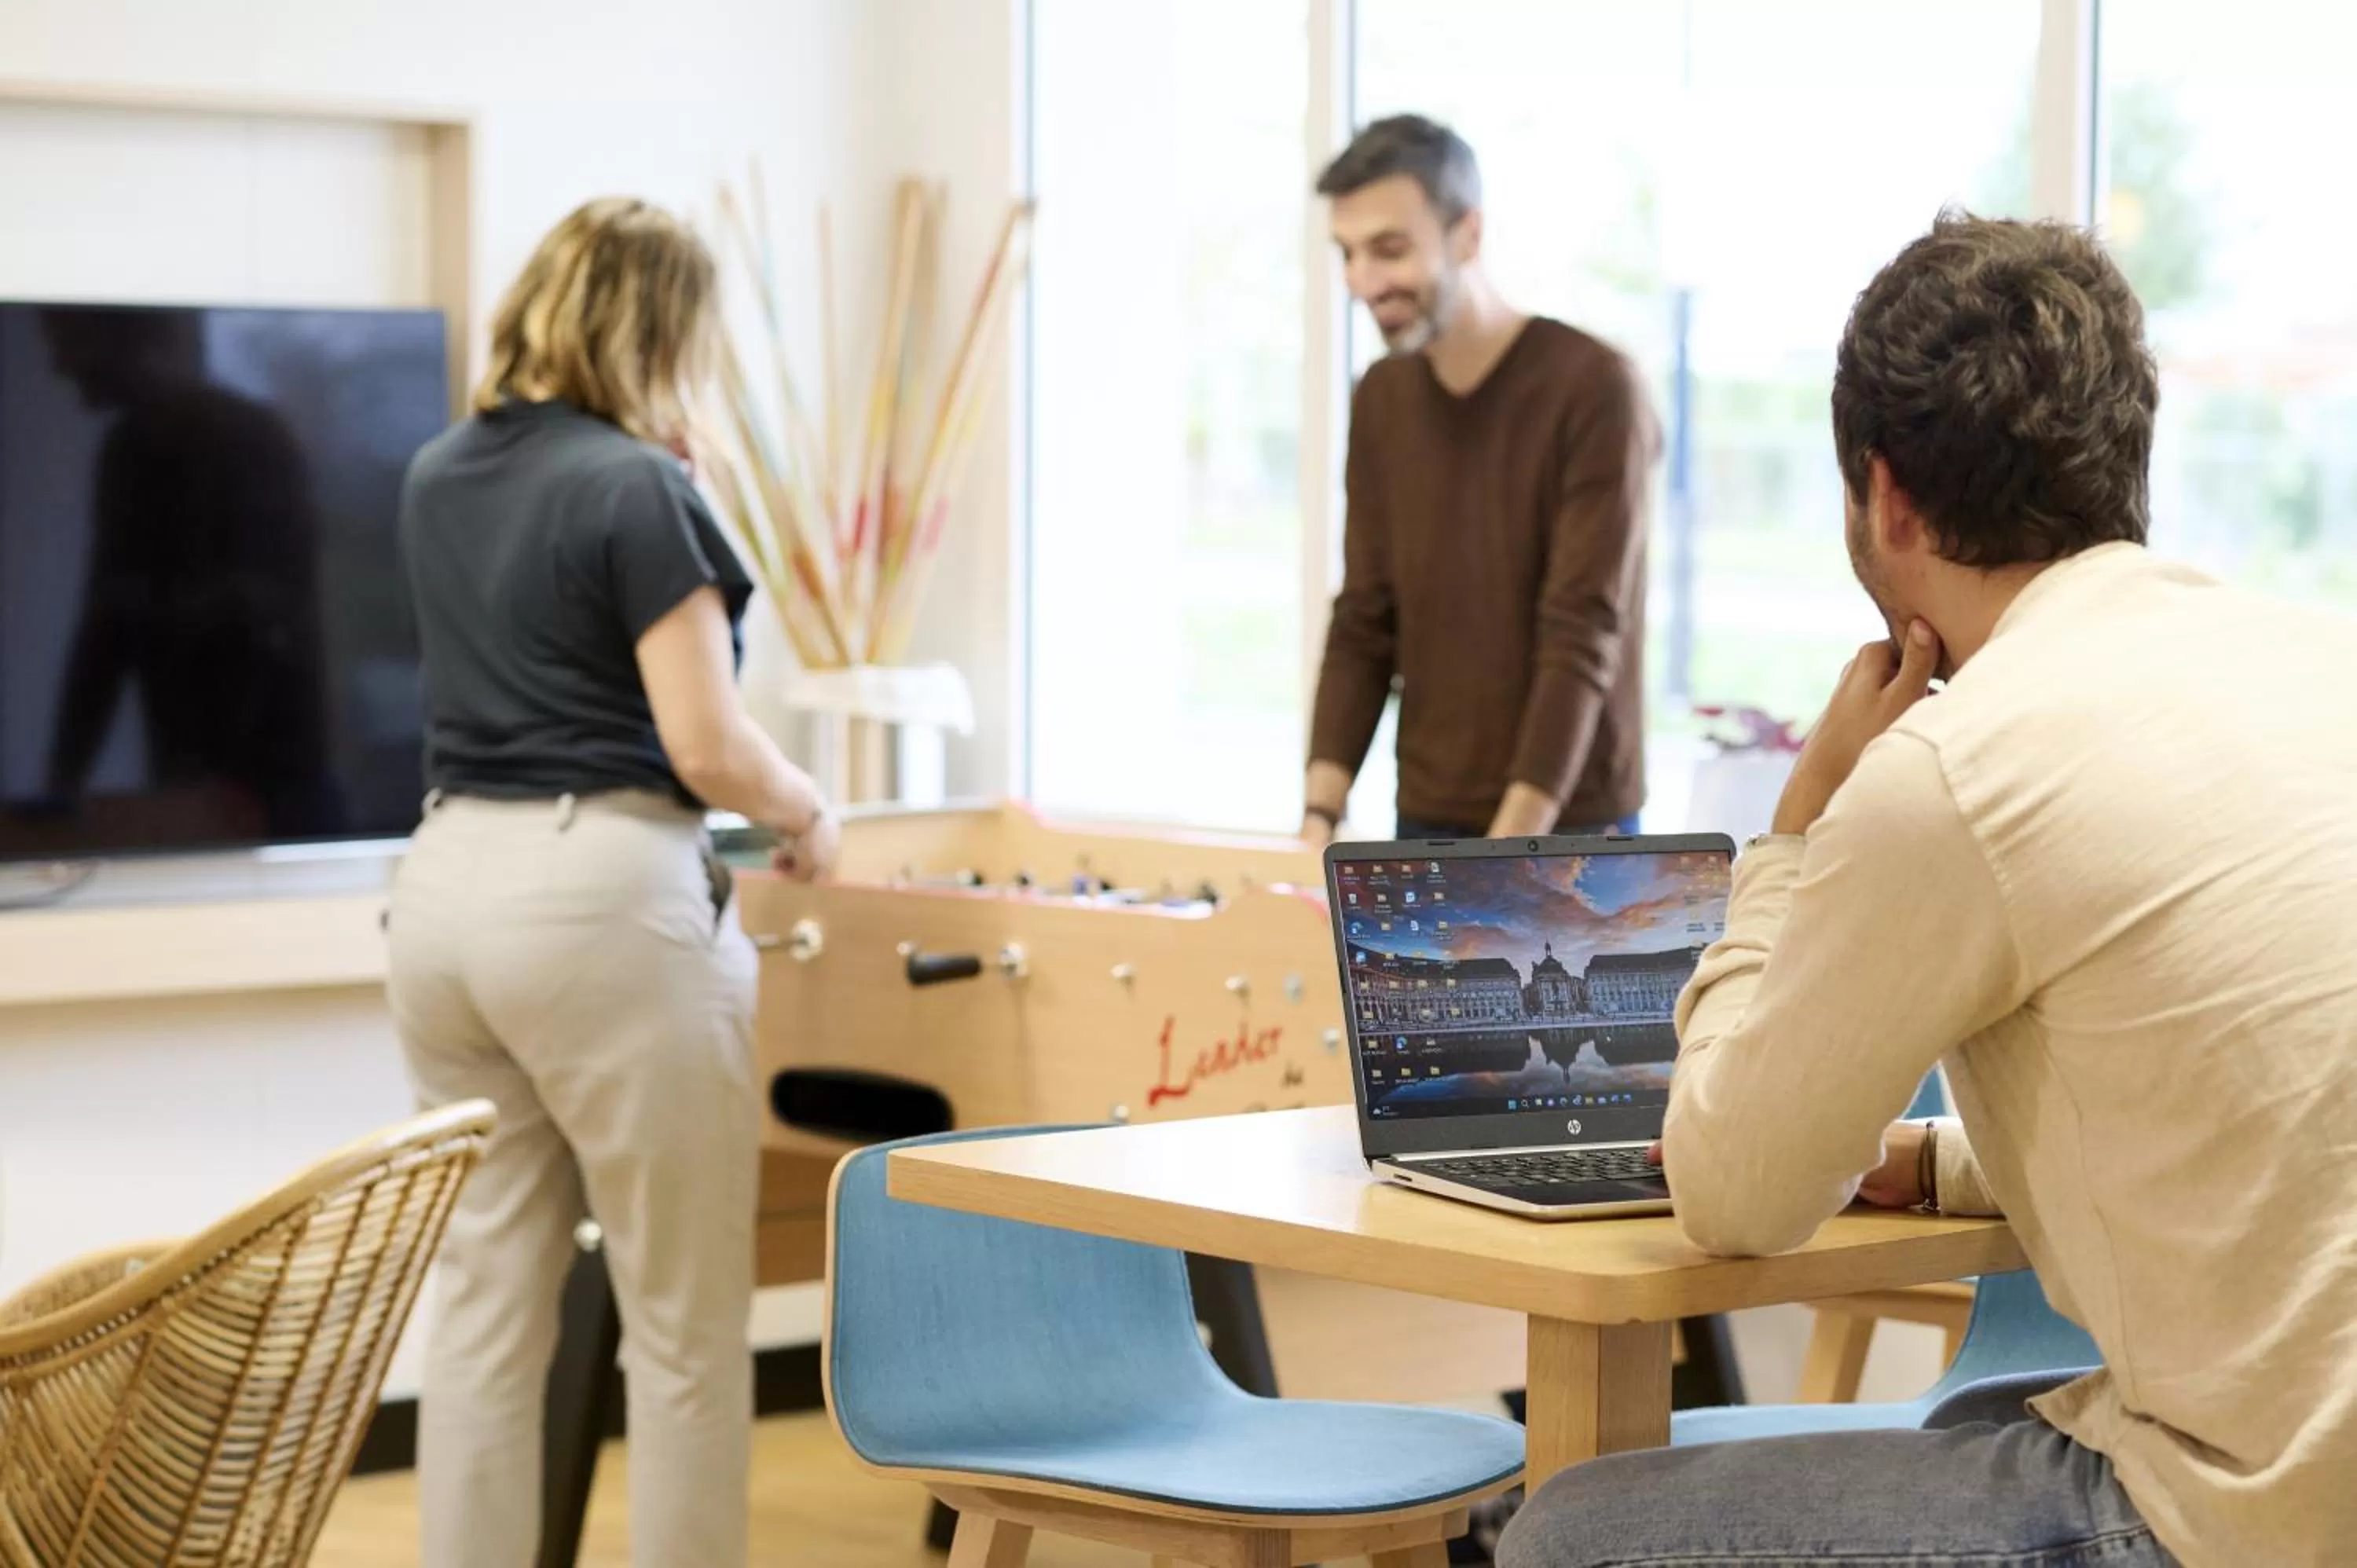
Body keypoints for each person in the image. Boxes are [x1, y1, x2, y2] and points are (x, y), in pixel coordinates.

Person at [1501, 213, 2357, 1568]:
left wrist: (1791, 841)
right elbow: (2243, 1107)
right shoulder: (2319, 662)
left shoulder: (1955, 769)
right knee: (1988, 1415)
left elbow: (1733, 1195)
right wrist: (1938, 1165)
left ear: (1887, 499)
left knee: (1567, 1536)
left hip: (2267, 1526)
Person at [387, 197, 837, 1568]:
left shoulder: (439, 469)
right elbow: (704, 744)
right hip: (600, 900)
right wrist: (809, 810)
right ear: (658, 333)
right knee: (686, 1323)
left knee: (483, 1311)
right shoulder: (636, 487)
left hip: (445, 889)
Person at [1300, 115, 1655, 847]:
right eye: (1348, 253)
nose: (1364, 282)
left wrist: (1508, 852)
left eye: (1390, 250)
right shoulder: (1382, 398)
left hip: (1575, 825)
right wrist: (1318, 819)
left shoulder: (1593, 388)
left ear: (1468, 234)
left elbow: (1581, 632)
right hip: (1429, 815)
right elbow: (1365, 618)